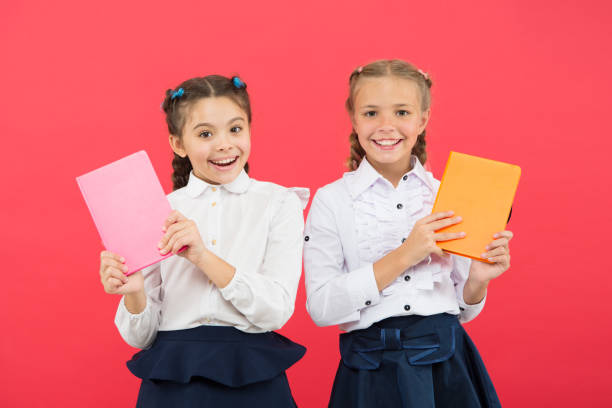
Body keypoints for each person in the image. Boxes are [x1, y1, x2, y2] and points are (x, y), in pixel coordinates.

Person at [303, 59, 512, 407]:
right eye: (371, 113)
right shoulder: (331, 201)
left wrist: (478, 280)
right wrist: (404, 255)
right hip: (369, 371)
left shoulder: (448, 192)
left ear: (423, 119)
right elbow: (322, 308)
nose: (387, 126)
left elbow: (463, 308)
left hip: (446, 368)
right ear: (354, 119)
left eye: (402, 112)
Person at [99, 74, 308, 407]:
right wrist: (134, 290)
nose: (224, 143)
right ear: (178, 143)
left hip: (253, 378)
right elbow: (139, 336)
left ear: (250, 130)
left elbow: (275, 312)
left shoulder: (278, 203)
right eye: (206, 134)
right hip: (173, 382)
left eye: (235, 129)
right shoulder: (158, 210)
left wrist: (202, 256)